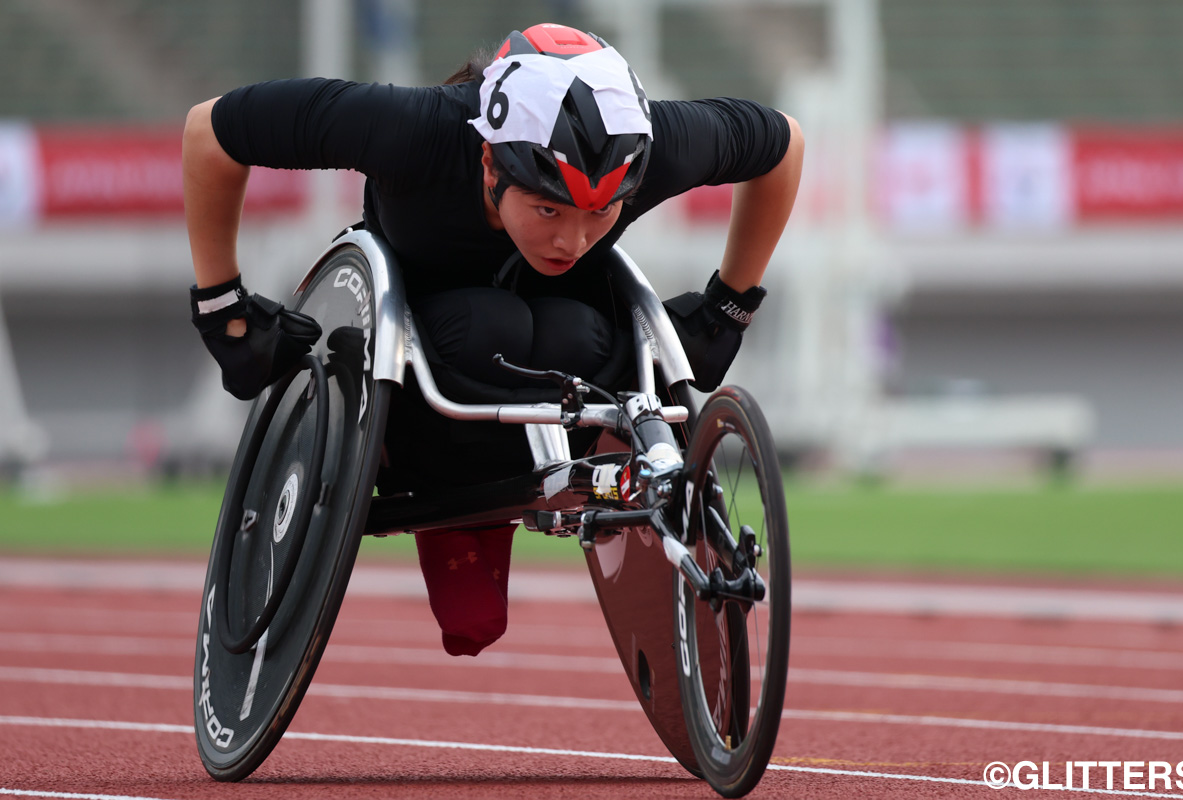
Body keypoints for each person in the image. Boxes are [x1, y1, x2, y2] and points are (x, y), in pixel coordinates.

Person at [183, 22, 804, 658]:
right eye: (548, 210)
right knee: (494, 324)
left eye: (601, 211)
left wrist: (730, 304)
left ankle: (541, 484)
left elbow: (784, 145)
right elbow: (211, 131)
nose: (572, 239)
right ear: (489, 163)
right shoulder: (411, 130)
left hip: (567, 362)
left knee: (577, 332)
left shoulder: (650, 144)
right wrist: (221, 306)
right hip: (418, 384)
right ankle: (460, 516)